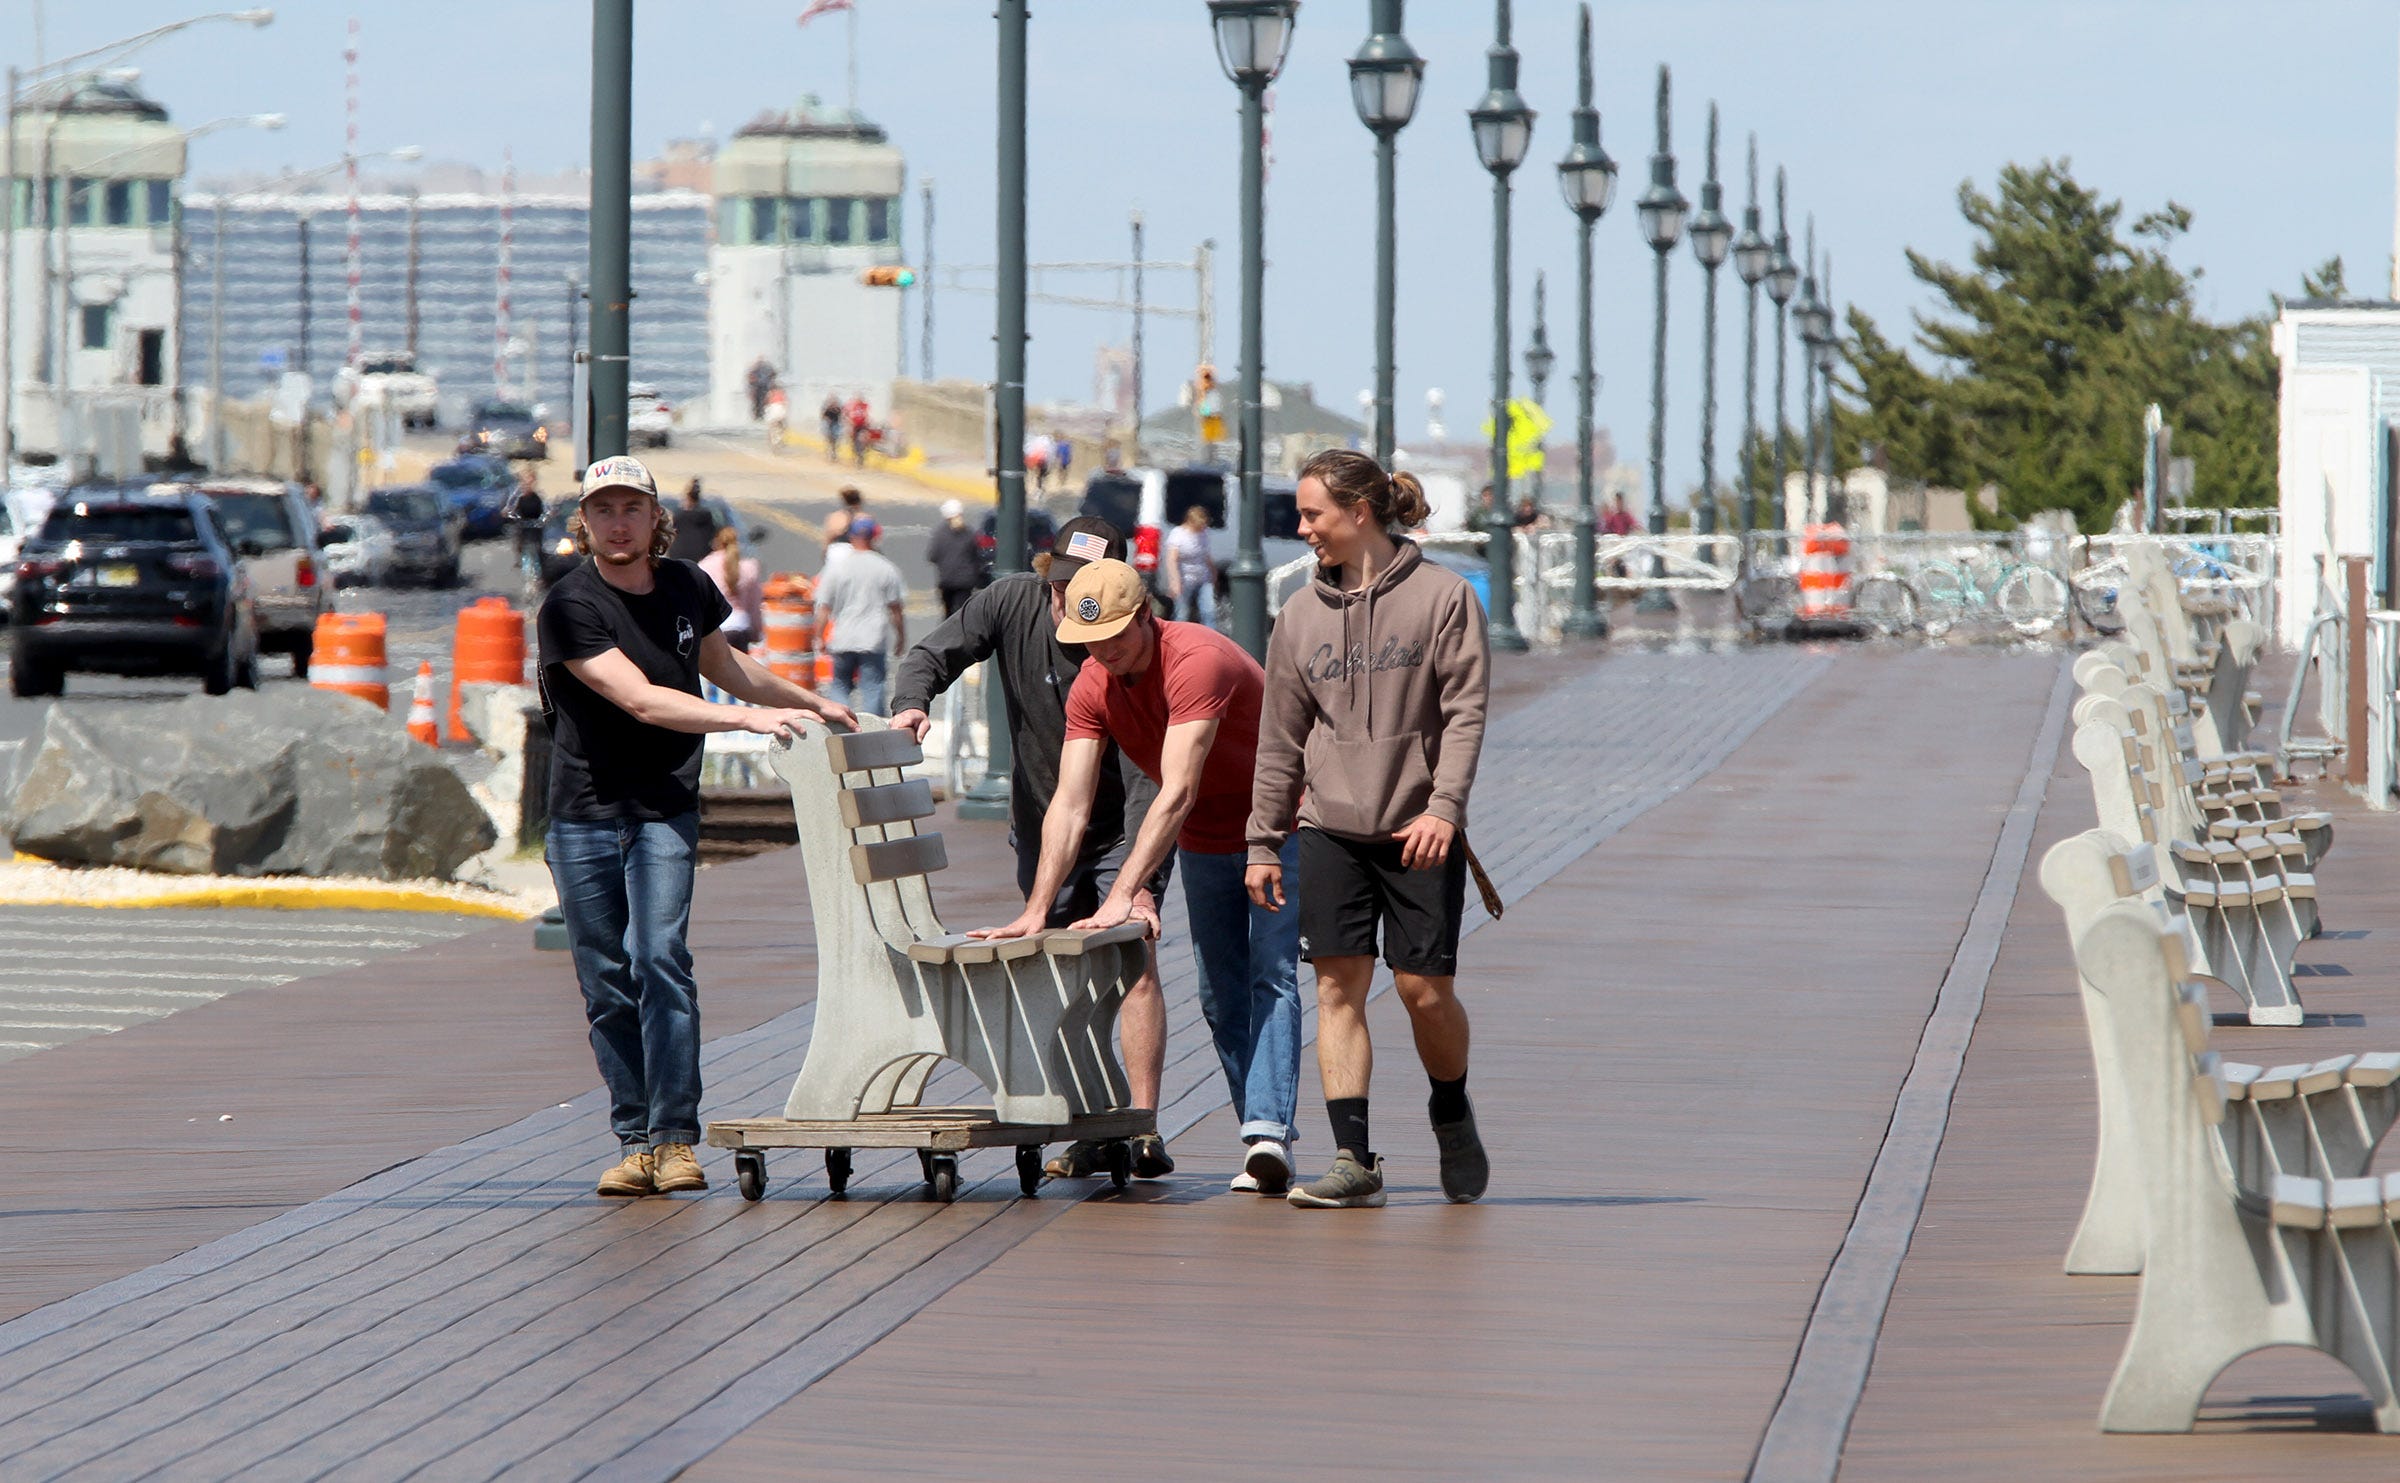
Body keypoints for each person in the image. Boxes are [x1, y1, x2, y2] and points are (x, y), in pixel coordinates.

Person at [538, 454, 855, 1198]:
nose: (618, 523)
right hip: (585, 814)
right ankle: (636, 1139)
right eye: (603, 510)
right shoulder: (569, 603)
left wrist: (812, 703)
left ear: (657, 520)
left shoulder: (686, 585)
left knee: (660, 960)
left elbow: (733, 668)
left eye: (631, 509)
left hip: (663, 808)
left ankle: (676, 1139)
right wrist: (749, 719)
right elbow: (642, 699)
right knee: (607, 983)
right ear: (584, 524)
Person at [976, 557, 1304, 1195]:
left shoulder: (1197, 660)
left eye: (1116, 638)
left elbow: (1176, 789)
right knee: (1219, 996)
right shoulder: (1092, 685)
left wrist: (1125, 892)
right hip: (1209, 839)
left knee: (1272, 973)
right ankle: (1263, 1143)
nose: (1103, 652)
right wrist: (1036, 910)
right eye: (1089, 642)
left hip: (1282, 826)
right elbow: (1068, 807)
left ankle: (1268, 1132)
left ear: (1146, 617)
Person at [888, 518, 1176, 1179]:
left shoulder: (1134, 648)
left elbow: (1148, 778)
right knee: (1060, 971)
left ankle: (1141, 1127)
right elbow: (931, 654)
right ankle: (1083, 1125)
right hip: (1046, 821)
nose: (1065, 603)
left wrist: (1139, 878)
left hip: (1127, 825)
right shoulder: (1010, 600)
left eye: (1084, 592)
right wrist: (912, 702)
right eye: (1058, 587)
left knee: (1133, 956)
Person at [1248, 449, 1492, 1210]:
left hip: (1421, 826)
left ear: (1359, 514)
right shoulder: (1296, 615)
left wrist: (1444, 806)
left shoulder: (1444, 597)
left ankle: (1450, 1107)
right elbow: (1279, 739)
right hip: (1329, 827)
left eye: (1313, 513)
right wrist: (1262, 839)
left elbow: (1465, 712)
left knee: (1424, 992)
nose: (1301, 528)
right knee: (1336, 987)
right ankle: (1353, 1158)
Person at [812, 515, 906, 716]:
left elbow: (824, 607)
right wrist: (901, 637)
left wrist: (819, 636)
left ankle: (841, 727)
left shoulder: (837, 568)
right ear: (874, 538)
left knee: (840, 686)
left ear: (851, 537)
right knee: (872, 688)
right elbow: (895, 609)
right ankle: (872, 735)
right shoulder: (886, 568)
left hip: (843, 637)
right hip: (872, 638)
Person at [699, 525, 764, 652]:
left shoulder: (705, 566)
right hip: (740, 627)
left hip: (716, 630)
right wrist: (756, 632)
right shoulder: (749, 567)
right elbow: (754, 606)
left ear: (716, 542)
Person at [926, 498, 986, 617]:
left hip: (947, 580)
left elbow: (932, 556)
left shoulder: (939, 533)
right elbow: (977, 555)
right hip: (966, 582)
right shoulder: (969, 532)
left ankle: (948, 634)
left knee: (948, 614)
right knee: (963, 613)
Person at [1163, 503, 1216, 627]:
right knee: (1182, 613)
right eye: (1199, 525)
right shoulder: (1178, 534)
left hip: (1203, 578)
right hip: (1184, 579)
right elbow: (1171, 559)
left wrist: (1214, 574)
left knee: (1209, 611)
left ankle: (1211, 637)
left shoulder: (1204, 534)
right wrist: (1175, 582)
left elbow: (1206, 556)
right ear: (1191, 522)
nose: (1202, 527)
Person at [666, 479, 718, 563]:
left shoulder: (678, 517)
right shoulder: (707, 517)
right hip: (701, 562)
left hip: (677, 561)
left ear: (687, 497)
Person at [508, 470, 546, 577]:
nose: (527, 485)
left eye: (530, 482)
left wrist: (543, 519)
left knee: (537, 550)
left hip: (535, 530)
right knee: (522, 545)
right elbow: (513, 511)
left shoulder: (537, 498)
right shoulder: (520, 499)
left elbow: (542, 512)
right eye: (525, 482)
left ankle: (538, 573)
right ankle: (522, 562)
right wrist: (512, 516)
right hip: (523, 530)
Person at [747, 356, 776, 422]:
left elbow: (751, 377)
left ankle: (760, 416)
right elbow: (773, 374)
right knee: (760, 402)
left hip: (761, 387)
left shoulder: (757, 368)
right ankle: (759, 416)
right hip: (761, 387)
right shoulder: (764, 368)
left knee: (761, 402)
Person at [845, 395, 872, 466]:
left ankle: (861, 454)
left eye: (860, 399)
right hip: (855, 426)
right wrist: (849, 425)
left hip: (863, 426)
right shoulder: (852, 406)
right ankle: (858, 455)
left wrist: (868, 421)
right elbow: (848, 415)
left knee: (863, 439)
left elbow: (867, 415)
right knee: (855, 442)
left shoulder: (864, 406)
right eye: (858, 399)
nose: (859, 400)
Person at [820, 394, 844, 461]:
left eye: (835, 400)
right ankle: (829, 452)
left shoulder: (838, 408)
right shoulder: (827, 408)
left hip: (836, 424)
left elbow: (842, 416)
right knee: (829, 438)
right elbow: (823, 416)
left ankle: (833, 454)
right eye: (832, 400)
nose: (834, 402)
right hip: (829, 424)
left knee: (836, 439)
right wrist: (827, 420)